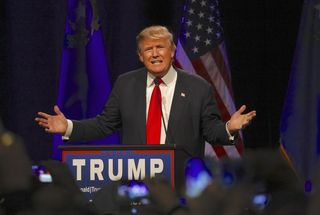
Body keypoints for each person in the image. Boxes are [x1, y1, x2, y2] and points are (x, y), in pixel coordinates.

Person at [35, 25, 256, 189]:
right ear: (141, 57)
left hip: (181, 183)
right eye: (148, 49)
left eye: (160, 47)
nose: (155, 53)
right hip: (137, 183)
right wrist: (69, 127)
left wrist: (229, 128)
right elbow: (104, 125)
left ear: (171, 52)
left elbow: (210, 130)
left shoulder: (198, 87)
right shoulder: (126, 83)